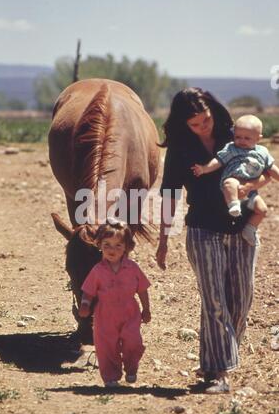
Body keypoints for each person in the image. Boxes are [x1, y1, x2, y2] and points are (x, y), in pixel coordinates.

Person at [156, 88, 271, 394]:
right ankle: (218, 373)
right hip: (202, 229)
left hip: (242, 227)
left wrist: (249, 187)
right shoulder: (180, 148)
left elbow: (264, 170)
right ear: (183, 124)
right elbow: (169, 193)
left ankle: (215, 362)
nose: (202, 126)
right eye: (194, 124)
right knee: (215, 301)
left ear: (212, 111)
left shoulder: (236, 136)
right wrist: (164, 238)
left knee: (241, 299)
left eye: (205, 119)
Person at [79, 218, 151, 387]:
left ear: (126, 247)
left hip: (129, 312)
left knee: (133, 341)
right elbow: (88, 291)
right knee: (106, 346)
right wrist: (84, 305)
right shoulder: (97, 270)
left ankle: (132, 366)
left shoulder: (132, 268)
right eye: (107, 245)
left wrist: (146, 309)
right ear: (99, 245)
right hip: (105, 315)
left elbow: (142, 289)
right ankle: (111, 377)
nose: (112, 249)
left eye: (118, 245)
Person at [191, 114, 279, 246]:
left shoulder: (263, 152)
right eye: (238, 137)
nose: (241, 141)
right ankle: (233, 204)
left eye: (247, 138)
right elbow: (218, 161)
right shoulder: (232, 148)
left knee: (262, 210)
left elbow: (272, 168)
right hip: (234, 179)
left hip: (251, 193)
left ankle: (250, 229)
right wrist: (204, 169)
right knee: (229, 183)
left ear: (258, 138)